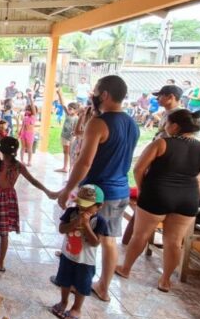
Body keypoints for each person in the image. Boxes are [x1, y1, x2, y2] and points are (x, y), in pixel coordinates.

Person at [52, 75, 139, 303]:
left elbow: (84, 162)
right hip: (120, 190)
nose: (93, 95)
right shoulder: (131, 123)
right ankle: (103, 286)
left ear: (105, 95)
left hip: (98, 192)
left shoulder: (99, 123)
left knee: (86, 236)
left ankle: (77, 283)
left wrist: (67, 189)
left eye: (97, 91)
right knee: (110, 239)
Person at [115, 110, 200, 292]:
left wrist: (142, 189)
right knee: (174, 241)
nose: (164, 125)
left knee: (141, 235)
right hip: (187, 199)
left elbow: (139, 169)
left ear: (175, 126)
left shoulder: (161, 143)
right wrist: (196, 196)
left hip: (156, 193)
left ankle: (125, 269)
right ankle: (165, 281)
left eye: (167, 122)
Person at [0, 137, 53, 274]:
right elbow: (33, 181)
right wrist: (47, 191)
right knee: (4, 233)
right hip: (9, 200)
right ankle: (0, 263)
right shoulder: (19, 166)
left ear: (1, 149)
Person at [50, 184, 110, 319]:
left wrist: (87, 225)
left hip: (85, 262)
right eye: (80, 204)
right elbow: (62, 229)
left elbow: (95, 242)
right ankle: (63, 302)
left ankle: (77, 308)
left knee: (82, 286)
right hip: (67, 256)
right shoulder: (72, 212)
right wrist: (77, 221)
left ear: (99, 206)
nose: (82, 208)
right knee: (64, 281)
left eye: (87, 206)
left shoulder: (100, 221)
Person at [55, 88, 79, 174]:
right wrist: (59, 94)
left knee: (70, 153)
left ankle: (70, 169)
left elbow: (77, 129)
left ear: (76, 110)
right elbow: (62, 104)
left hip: (70, 138)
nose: (69, 110)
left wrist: (74, 135)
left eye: (71, 109)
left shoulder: (76, 118)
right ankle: (65, 167)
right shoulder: (68, 115)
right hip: (64, 136)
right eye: (69, 108)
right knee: (65, 152)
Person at [18, 96, 37, 166]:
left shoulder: (33, 116)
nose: (27, 111)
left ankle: (29, 161)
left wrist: (31, 99)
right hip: (23, 133)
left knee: (29, 148)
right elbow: (22, 125)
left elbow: (33, 107)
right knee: (22, 147)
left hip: (30, 134)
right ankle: (21, 160)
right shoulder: (25, 117)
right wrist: (20, 132)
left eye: (29, 110)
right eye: (26, 110)